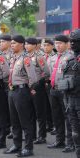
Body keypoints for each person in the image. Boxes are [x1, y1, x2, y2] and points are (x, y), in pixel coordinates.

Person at [4, 35, 38, 157]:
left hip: (22, 92)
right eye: (11, 43)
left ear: (21, 44)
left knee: (25, 121)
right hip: (12, 91)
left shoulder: (26, 59)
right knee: (14, 121)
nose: (11, 45)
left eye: (14, 43)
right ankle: (16, 145)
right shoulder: (14, 58)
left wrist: (28, 90)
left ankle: (28, 148)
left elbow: (33, 78)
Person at [47, 35, 75, 152]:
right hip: (53, 89)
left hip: (65, 91)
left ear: (67, 44)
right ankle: (59, 140)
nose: (58, 45)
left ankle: (70, 143)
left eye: (60, 43)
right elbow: (49, 72)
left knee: (68, 117)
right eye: (56, 43)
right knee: (57, 117)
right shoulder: (52, 58)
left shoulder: (71, 57)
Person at [24, 38, 50, 145]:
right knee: (30, 113)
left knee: (40, 112)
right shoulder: (24, 57)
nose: (26, 46)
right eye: (25, 44)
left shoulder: (39, 57)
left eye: (29, 44)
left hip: (38, 86)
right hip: (27, 87)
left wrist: (40, 81)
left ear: (35, 45)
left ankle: (42, 136)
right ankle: (32, 135)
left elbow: (47, 72)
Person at [59, 29, 80, 158]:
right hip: (71, 102)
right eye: (71, 41)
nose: (72, 44)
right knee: (75, 134)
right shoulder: (70, 60)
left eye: (76, 41)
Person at [42, 39, 56, 134]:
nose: (45, 47)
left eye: (47, 45)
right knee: (45, 105)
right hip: (42, 83)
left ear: (52, 46)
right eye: (44, 45)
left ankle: (56, 125)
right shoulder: (41, 57)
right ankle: (49, 124)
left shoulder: (55, 57)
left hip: (51, 83)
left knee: (53, 106)